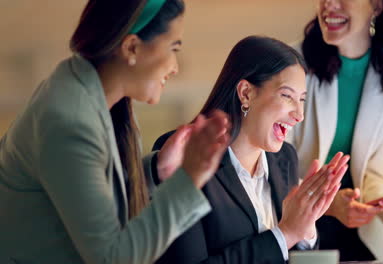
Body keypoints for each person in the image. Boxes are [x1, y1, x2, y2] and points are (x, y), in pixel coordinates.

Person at [0, 0, 231, 263]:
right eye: (173, 48)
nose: (175, 67)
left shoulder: (79, 88)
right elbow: (112, 258)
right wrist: (189, 179)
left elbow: (86, 196)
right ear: (132, 47)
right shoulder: (71, 121)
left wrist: (156, 170)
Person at [151, 36, 350, 264]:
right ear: (246, 93)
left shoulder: (285, 158)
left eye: (302, 99)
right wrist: (285, 234)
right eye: (287, 96)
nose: (299, 114)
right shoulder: (185, 155)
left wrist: (305, 229)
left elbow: (295, 256)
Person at [287, 0, 383, 261]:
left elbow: (377, 176)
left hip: (357, 233)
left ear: (377, 6)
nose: (329, 5)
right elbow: (273, 167)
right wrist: (327, 203)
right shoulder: (291, 65)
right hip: (295, 226)